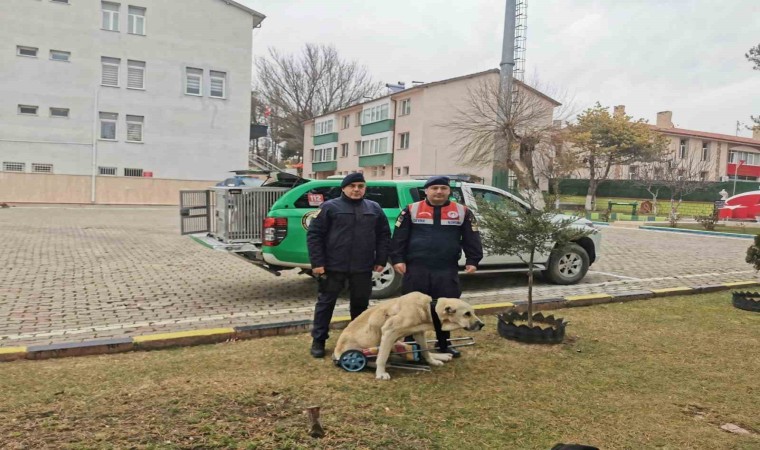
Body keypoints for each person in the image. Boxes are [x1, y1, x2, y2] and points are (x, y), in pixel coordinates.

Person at [390, 176, 483, 357]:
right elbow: (399, 237)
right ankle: (410, 344)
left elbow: (472, 237)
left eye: (443, 188)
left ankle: (443, 343)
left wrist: (473, 260)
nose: (439, 192)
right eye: (434, 188)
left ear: (449, 191)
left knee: (447, 308)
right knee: (412, 307)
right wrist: (397, 259)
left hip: (446, 268)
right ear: (426, 191)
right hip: (416, 268)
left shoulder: (462, 211)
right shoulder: (411, 210)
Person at [306, 172, 391, 358]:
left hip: (362, 266)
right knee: (325, 305)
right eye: (352, 186)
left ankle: (358, 340)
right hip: (333, 266)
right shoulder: (329, 207)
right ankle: (319, 340)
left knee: (360, 306)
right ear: (343, 188)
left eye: (360, 186)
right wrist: (318, 262)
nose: (356, 189)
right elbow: (314, 235)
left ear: (364, 188)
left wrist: (380, 260)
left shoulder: (374, 208)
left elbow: (384, 235)